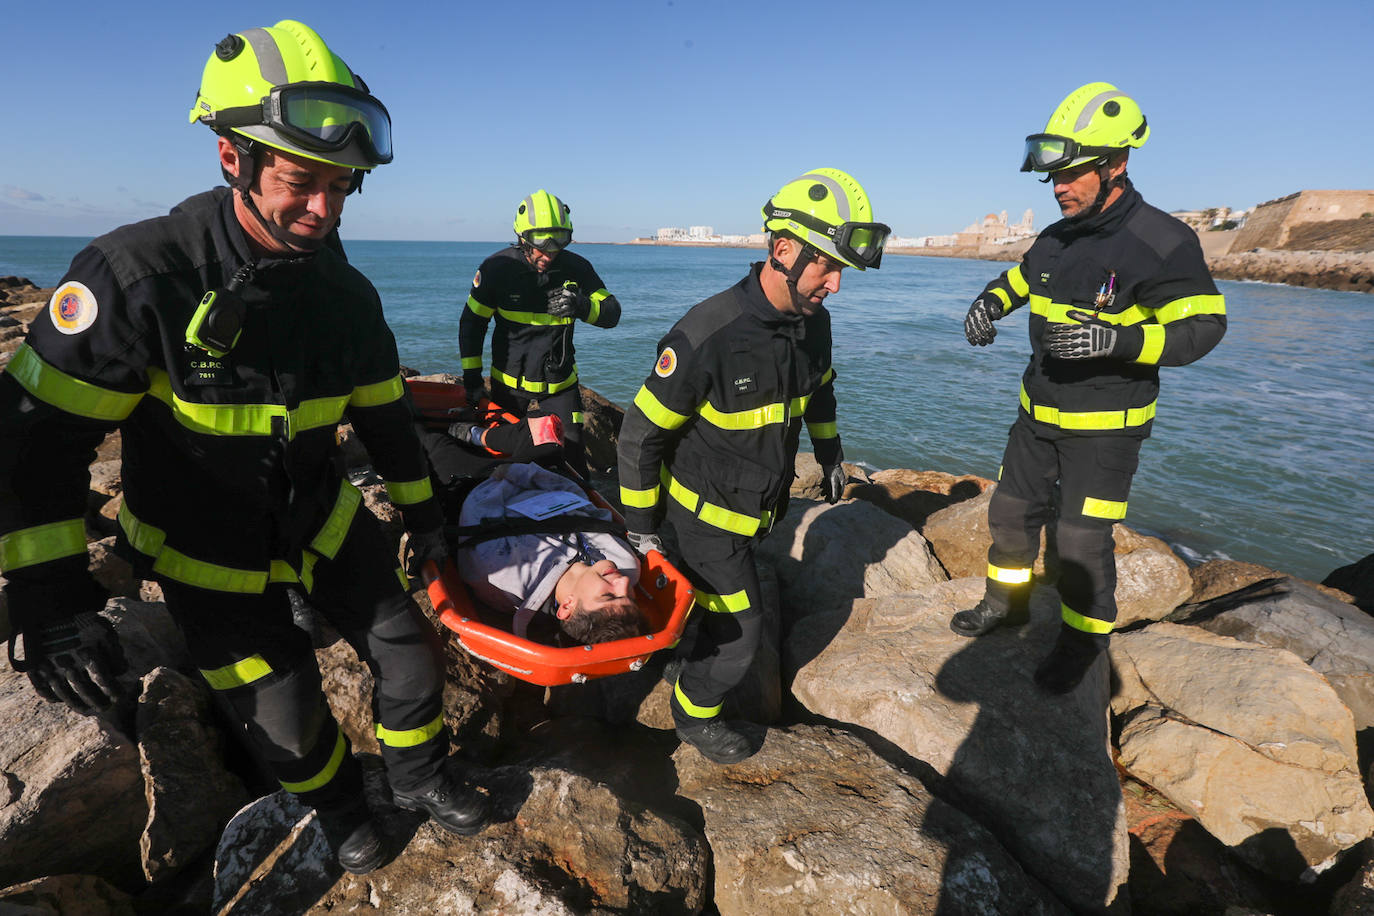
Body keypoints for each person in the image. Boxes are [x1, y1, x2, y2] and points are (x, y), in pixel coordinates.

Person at [0, 20, 489, 875]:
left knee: (409, 648)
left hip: (321, 518)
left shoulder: (347, 295)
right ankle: (341, 809)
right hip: (202, 549)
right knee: (287, 711)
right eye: (303, 182)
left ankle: (417, 777)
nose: (325, 210)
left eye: (344, 187)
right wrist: (50, 603)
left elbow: (383, 421)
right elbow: (35, 444)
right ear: (233, 157)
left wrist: (428, 521)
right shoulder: (137, 276)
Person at [949, 82, 1227, 694]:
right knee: (1011, 512)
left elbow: (1205, 326)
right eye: (1054, 177)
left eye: (1072, 175)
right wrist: (987, 304)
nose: (1059, 187)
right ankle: (1006, 604)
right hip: (1037, 413)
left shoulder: (1162, 241)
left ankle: (1084, 640)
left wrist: (1120, 343)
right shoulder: (1058, 235)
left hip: (1106, 428)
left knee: (1079, 538)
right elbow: (1019, 279)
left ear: (1117, 164)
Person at [616, 169, 889, 763]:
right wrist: (641, 528)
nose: (836, 285)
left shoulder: (813, 324)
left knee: (698, 610)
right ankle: (693, 713)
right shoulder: (708, 332)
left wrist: (831, 451)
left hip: (754, 513)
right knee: (741, 641)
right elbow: (639, 435)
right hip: (702, 522)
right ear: (783, 249)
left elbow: (820, 390)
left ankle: (678, 661)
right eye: (826, 267)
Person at [457, 190, 622, 480]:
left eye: (558, 244)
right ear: (522, 238)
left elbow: (612, 313)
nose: (549, 254)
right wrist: (472, 379)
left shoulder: (577, 268)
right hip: (508, 387)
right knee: (503, 458)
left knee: (571, 460)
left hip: (560, 384)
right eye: (541, 246)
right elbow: (472, 325)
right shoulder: (497, 269)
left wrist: (582, 306)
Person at [455, 462, 644, 645]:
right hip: (539, 474)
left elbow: (480, 501)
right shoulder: (624, 562)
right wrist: (535, 473)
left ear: (567, 606)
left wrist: (513, 471)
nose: (624, 582)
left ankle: (475, 434)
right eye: (631, 596)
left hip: (482, 479)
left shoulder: (501, 570)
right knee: (548, 443)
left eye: (609, 596)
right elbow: (585, 506)